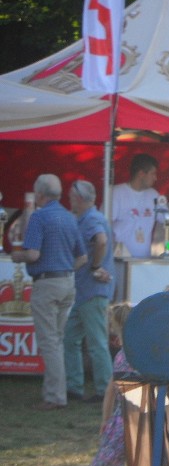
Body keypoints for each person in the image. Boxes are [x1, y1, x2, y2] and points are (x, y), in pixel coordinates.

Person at [11, 173, 87, 411]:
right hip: (67, 282)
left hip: (47, 284)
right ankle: (57, 392)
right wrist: (65, 271)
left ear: (40, 194)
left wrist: (17, 256)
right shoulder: (70, 218)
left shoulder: (38, 217)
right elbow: (82, 257)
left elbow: (32, 254)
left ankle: (55, 396)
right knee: (58, 340)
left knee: (49, 343)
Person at [79, 302, 135, 466]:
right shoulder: (135, 355)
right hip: (132, 420)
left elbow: (110, 391)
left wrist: (105, 419)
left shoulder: (121, 355)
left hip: (121, 418)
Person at [64, 180, 115, 404]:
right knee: (71, 338)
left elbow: (101, 241)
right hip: (86, 291)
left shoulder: (92, 219)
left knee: (95, 343)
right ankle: (74, 387)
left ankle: (104, 390)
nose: (69, 200)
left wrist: (95, 266)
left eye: (72, 196)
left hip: (92, 291)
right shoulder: (91, 217)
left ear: (80, 199)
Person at [111, 154, 162, 258]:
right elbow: (104, 226)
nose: (155, 178)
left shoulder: (154, 195)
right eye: (153, 174)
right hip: (118, 261)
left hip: (144, 262)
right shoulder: (116, 193)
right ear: (141, 174)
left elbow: (168, 221)